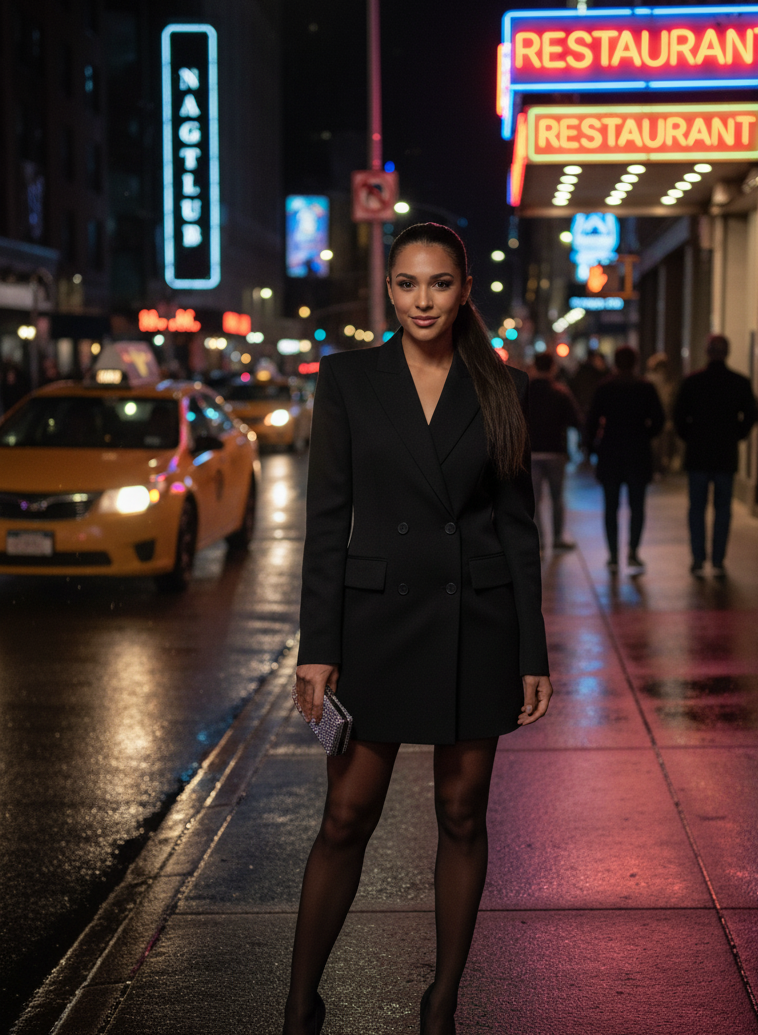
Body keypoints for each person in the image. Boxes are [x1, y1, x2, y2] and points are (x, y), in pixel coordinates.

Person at [285, 223, 553, 1035]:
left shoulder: (498, 386)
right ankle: (300, 1002)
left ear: (465, 289)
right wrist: (318, 647)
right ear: (389, 291)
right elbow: (327, 519)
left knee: (463, 814)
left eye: (438, 284)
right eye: (407, 285)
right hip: (374, 626)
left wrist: (531, 650)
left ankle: (443, 1001)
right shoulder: (348, 380)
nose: (422, 300)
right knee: (345, 816)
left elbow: (517, 526)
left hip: (476, 622)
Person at [674, 334, 758, 577]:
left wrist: (690, 436)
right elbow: (752, 414)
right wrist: (736, 435)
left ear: (707, 352)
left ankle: (698, 558)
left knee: (697, 509)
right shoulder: (739, 382)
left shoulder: (693, 382)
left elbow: (679, 416)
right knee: (723, 509)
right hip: (725, 454)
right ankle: (719, 560)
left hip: (698, 454)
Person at [585, 345, 665, 574]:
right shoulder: (646, 388)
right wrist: (644, 435)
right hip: (637, 452)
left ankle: (612, 556)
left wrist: (592, 448)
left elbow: (591, 421)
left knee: (611, 507)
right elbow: (658, 420)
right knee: (637, 506)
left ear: (615, 363)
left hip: (610, 452)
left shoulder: (605, 388)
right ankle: (633, 553)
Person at [529, 350, 583, 551]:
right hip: (555, 451)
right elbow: (576, 421)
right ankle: (558, 538)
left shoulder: (523, 390)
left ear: (534, 366)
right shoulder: (561, 392)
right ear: (552, 367)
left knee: (533, 501)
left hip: (531, 452)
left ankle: (539, 542)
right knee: (557, 497)